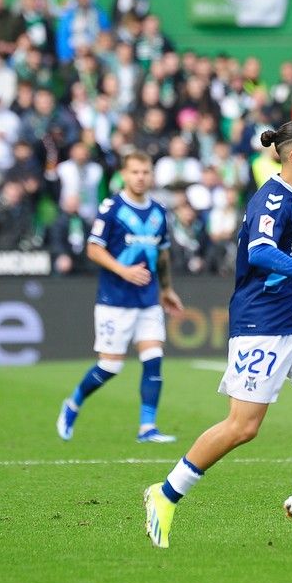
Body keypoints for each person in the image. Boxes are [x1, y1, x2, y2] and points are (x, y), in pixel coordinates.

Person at [143, 121, 292, 548]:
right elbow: (259, 252)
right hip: (259, 326)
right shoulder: (272, 199)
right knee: (242, 427)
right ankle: (164, 494)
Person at [56, 151, 184, 444]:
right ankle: (73, 403)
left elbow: (162, 253)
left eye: (145, 172)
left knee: (154, 359)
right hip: (114, 300)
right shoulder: (112, 207)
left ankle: (147, 428)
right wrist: (122, 270)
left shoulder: (159, 212)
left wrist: (165, 289)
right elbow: (93, 248)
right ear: (124, 175)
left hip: (148, 299)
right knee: (111, 366)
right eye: (135, 172)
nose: (140, 177)